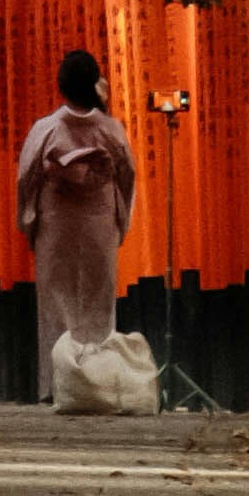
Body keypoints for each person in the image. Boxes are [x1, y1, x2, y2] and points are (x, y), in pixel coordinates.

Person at [16, 44, 152, 410]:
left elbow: (27, 178)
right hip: (97, 220)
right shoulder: (110, 129)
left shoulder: (45, 130)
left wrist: (30, 219)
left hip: (57, 222)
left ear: (62, 86)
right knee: (97, 300)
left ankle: (58, 387)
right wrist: (119, 219)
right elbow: (127, 177)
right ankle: (99, 387)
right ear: (95, 84)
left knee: (56, 303)